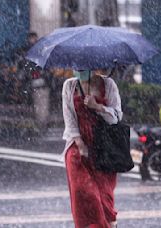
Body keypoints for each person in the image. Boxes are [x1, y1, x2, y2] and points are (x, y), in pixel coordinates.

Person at [62, 69, 122, 228]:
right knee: (85, 194)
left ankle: (109, 224)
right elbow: (69, 119)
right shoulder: (69, 85)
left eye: (83, 67)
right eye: (77, 67)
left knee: (104, 197)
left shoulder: (108, 84)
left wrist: (98, 107)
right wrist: (80, 144)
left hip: (104, 148)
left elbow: (116, 118)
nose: (79, 70)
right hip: (77, 149)